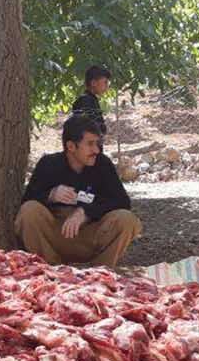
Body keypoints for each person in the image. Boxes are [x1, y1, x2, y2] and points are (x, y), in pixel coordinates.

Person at [16, 114, 141, 267]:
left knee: (126, 219)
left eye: (97, 143)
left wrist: (85, 213)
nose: (96, 149)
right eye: (90, 144)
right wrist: (51, 195)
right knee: (29, 211)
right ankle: (51, 271)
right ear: (71, 146)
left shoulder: (102, 164)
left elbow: (122, 201)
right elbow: (27, 201)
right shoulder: (49, 164)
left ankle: (100, 274)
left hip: (91, 235)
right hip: (55, 236)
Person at [70, 65, 111, 136]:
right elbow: (90, 129)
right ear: (93, 83)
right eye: (105, 82)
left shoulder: (91, 100)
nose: (107, 86)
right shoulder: (85, 101)